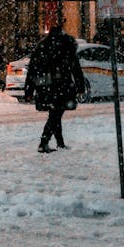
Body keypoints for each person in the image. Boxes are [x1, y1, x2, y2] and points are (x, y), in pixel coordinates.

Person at [24, 22, 85, 153]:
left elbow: (32, 69)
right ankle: (44, 142)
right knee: (56, 114)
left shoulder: (43, 46)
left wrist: (29, 90)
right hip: (62, 86)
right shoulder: (66, 46)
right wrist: (80, 87)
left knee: (55, 113)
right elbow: (76, 68)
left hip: (46, 86)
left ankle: (60, 143)